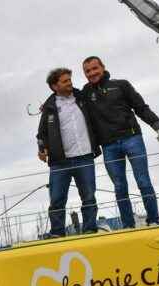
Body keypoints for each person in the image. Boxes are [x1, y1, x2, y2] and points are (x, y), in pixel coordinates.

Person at [82, 56, 159, 228]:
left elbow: (141, 107)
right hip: (109, 146)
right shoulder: (85, 93)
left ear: (103, 67)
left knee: (143, 181)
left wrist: (158, 126)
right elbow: (67, 97)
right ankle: (128, 225)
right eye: (87, 71)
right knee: (120, 187)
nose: (92, 73)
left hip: (132, 138)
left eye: (94, 68)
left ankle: (153, 221)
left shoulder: (121, 85)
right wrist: (49, 104)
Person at [37, 67, 101, 238]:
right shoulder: (49, 107)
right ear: (54, 86)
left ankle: (90, 229)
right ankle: (57, 233)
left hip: (85, 156)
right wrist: (41, 148)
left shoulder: (82, 98)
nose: (70, 84)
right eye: (65, 81)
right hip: (59, 161)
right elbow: (41, 133)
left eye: (70, 80)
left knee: (88, 196)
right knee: (57, 199)